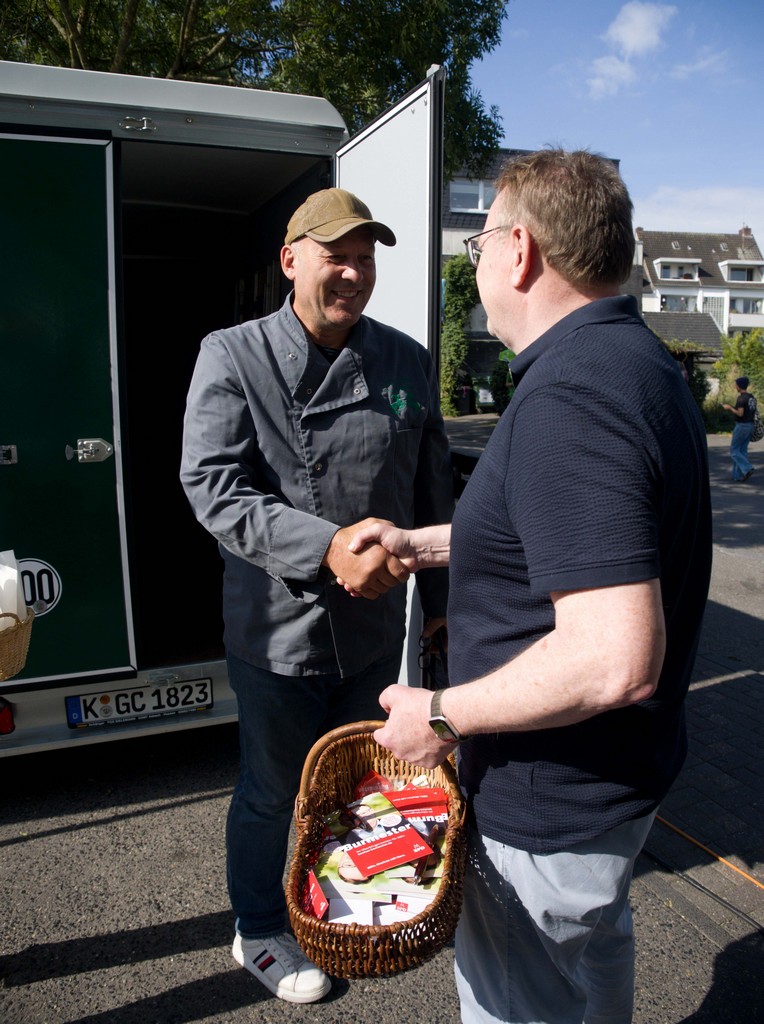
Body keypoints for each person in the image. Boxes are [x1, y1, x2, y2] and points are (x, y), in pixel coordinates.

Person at [343, 150, 712, 1024]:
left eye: (477, 245)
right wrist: (423, 544)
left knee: (520, 1002)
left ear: (519, 252)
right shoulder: (634, 361)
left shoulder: (572, 396)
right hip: (613, 787)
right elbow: (564, 539)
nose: (475, 266)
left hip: (552, 803)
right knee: (597, 957)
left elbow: (614, 656)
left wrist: (439, 717)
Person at [180, 187, 453, 1004]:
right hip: (278, 630)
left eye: (366, 259)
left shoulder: (405, 360)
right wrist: (327, 547)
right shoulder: (234, 355)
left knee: (350, 786)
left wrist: (442, 604)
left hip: (373, 628)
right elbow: (213, 486)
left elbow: (432, 487)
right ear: (290, 260)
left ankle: (332, 901)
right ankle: (258, 925)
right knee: (274, 791)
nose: (354, 273)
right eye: (337, 255)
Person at [722, 376, 756, 482]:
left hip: (742, 426)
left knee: (734, 450)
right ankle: (738, 476)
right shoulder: (751, 397)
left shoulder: (741, 398)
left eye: (736, 384)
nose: (735, 386)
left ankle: (747, 468)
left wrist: (729, 408)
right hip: (750, 425)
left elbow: (740, 414)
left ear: (740, 386)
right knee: (742, 450)